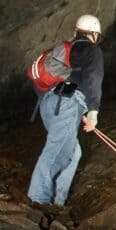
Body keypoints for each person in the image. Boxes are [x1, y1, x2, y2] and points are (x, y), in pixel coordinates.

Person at [28, 14, 103, 207]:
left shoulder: (64, 50)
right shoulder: (91, 50)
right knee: (58, 151)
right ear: (94, 34)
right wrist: (93, 111)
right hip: (67, 103)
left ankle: (56, 201)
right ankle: (38, 199)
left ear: (76, 31)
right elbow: (93, 79)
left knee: (73, 152)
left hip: (49, 103)